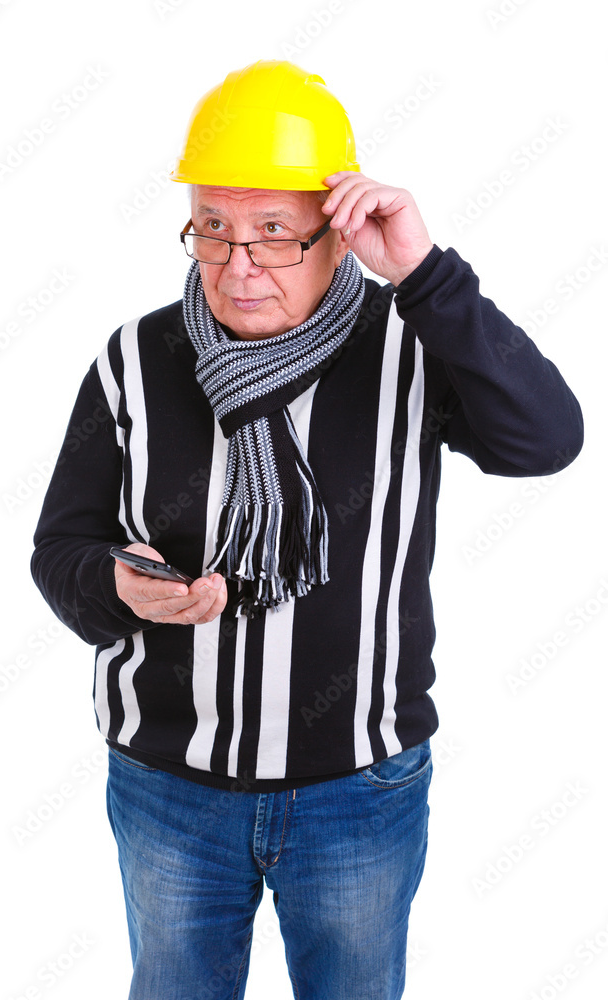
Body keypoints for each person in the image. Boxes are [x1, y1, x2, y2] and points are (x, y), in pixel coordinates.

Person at [30, 60, 583, 1000]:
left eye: (274, 234)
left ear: (339, 232)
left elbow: (546, 440)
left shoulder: (412, 340)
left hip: (358, 791)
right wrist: (121, 589)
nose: (237, 267)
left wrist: (422, 272)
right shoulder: (134, 358)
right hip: (169, 787)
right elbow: (61, 548)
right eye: (213, 230)